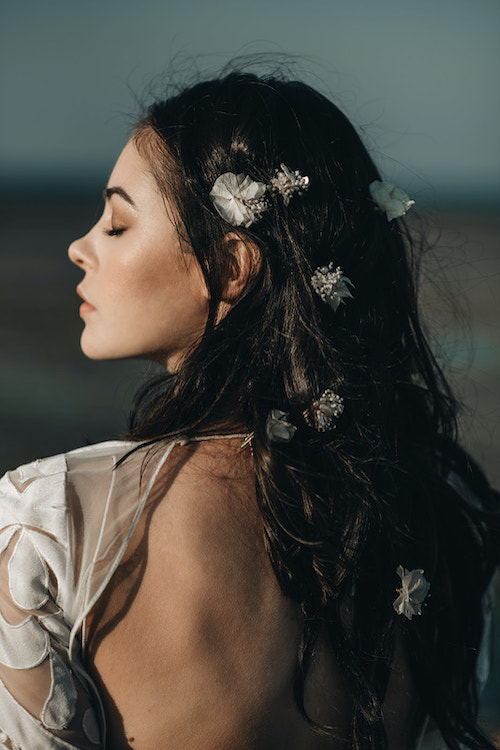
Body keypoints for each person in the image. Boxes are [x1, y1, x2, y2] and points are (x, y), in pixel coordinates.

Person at [0, 69, 498, 750]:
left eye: (117, 224)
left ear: (231, 266)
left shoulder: (53, 523)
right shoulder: (433, 524)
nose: (79, 247)